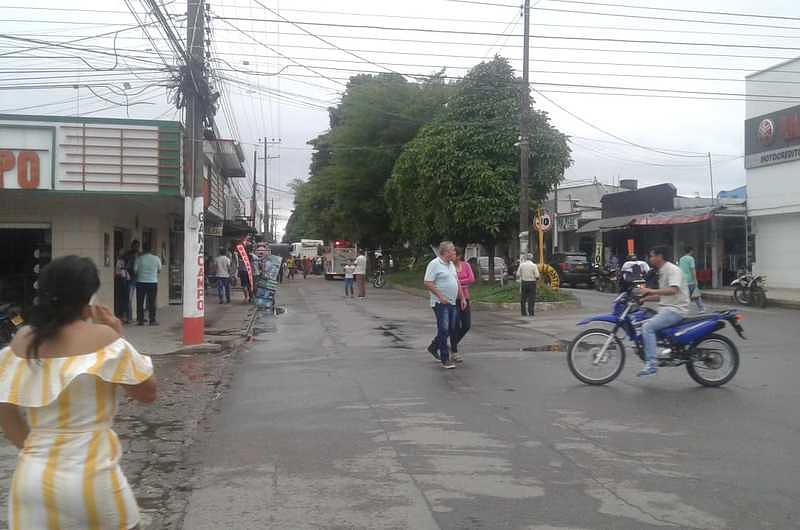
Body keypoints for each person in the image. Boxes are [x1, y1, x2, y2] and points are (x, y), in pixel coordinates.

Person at [0, 255, 156, 529]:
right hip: (92, 476)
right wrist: (118, 332)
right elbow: (146, 393)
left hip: (32, 478)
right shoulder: (105, 340)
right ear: (88, 297)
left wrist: (41, 451)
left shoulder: (20, 343)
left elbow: (7, 416)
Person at [637, 245, 690, 377]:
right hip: (667, 308)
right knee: (643, 321)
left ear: (659, 257)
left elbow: (674, 290)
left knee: (647, 327)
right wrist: (646, 298)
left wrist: (651, 290)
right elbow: (665, 295)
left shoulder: (673, 270)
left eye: (651, 255)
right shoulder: (662, 270)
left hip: (676, 310)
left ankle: (651, 364)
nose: (650, 258)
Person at [424, 241, 462, 369]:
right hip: (440, 303)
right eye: (452, 250)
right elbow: (428, 282)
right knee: (444, 329)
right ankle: (445, 359)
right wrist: (440, 296)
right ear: (445, 252)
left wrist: (461, 297)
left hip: (452, 301)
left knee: (451, 329)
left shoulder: (451, 264)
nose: (454, 253)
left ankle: (433, 346)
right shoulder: (434, 264)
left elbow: (456, 281)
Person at [451, 246, 475, 361]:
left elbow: (471, 279)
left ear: (459, 256)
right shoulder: (449, 267)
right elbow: (450, 281)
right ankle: (454, 351)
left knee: (466, 325)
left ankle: (452, 344)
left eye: (455, 254)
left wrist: (458, 283)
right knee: (455, 325)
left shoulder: (466, 265)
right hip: (452, 299)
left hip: (464, 298)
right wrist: (461, 283)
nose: (453, 257)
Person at [134, 242, 162, 325]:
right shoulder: (156, 258)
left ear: (143, 249)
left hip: (140, 282)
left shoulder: (139, 259)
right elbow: (159, 270)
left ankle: (140, 320)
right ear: (151, 250)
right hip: (152, 282)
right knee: (152, 302)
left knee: (140, 302)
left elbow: (135, 270)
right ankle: (152, 320)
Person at [679, 246, 705, 312]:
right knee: (695, 295)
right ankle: (701, 309)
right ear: (691, 251)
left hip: (683, 279)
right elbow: (692, 269)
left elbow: (680, 269)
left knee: (685, 295)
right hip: (690, 279)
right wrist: (695, 279)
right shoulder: (691, 258)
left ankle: (682, 308)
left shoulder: (681, 259)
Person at [123, 240, 140, 324]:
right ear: (132, 246)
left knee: (137, 299)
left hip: (137, 279)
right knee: (129, 299)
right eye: (135, 246)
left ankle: (136, 317)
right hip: (131, 279)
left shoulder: (139, 255)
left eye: (137, 246)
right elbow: (126, 266)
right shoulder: (128, 255)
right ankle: (129, 317)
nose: (136, 247)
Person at [114, 251, 131, 322]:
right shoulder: (122, 265)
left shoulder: (121, 263)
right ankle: (125, 316)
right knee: (124, 300)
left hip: (122, 282)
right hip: (123, 281)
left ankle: (124, 316)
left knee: (123, 300)